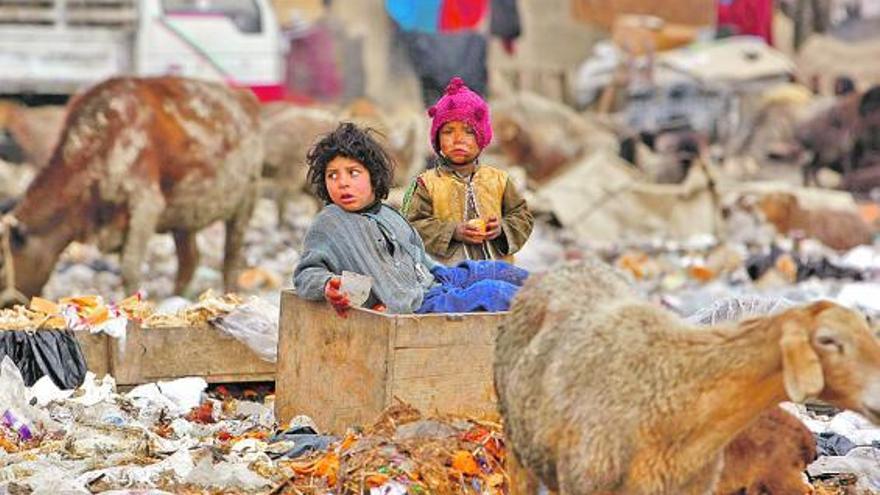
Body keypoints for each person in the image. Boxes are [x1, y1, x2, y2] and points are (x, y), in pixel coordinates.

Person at [293, 122, 527, 316]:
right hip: (415, 305)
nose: (342, 182)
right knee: (491, 291)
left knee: (493, 270)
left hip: (433, 280)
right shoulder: (330, 223)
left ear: (373, 177)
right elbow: (306, 273)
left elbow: (418, 256)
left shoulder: (388, 214)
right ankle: (548, 305)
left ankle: (554, 289)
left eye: (353, 173)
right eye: (332, 175)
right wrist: (328, 286)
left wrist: (448, 275)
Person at [402, 77, 533, 265]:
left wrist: (501, 229)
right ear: (437, 141)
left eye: (469, 131)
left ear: (482, 139)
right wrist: (452, 232)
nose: (458, 139)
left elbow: (522, 217)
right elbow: (409, 226)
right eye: (448, 131)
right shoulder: (424, 184)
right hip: (447, 278)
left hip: (498, 273)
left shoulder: (500, 180)